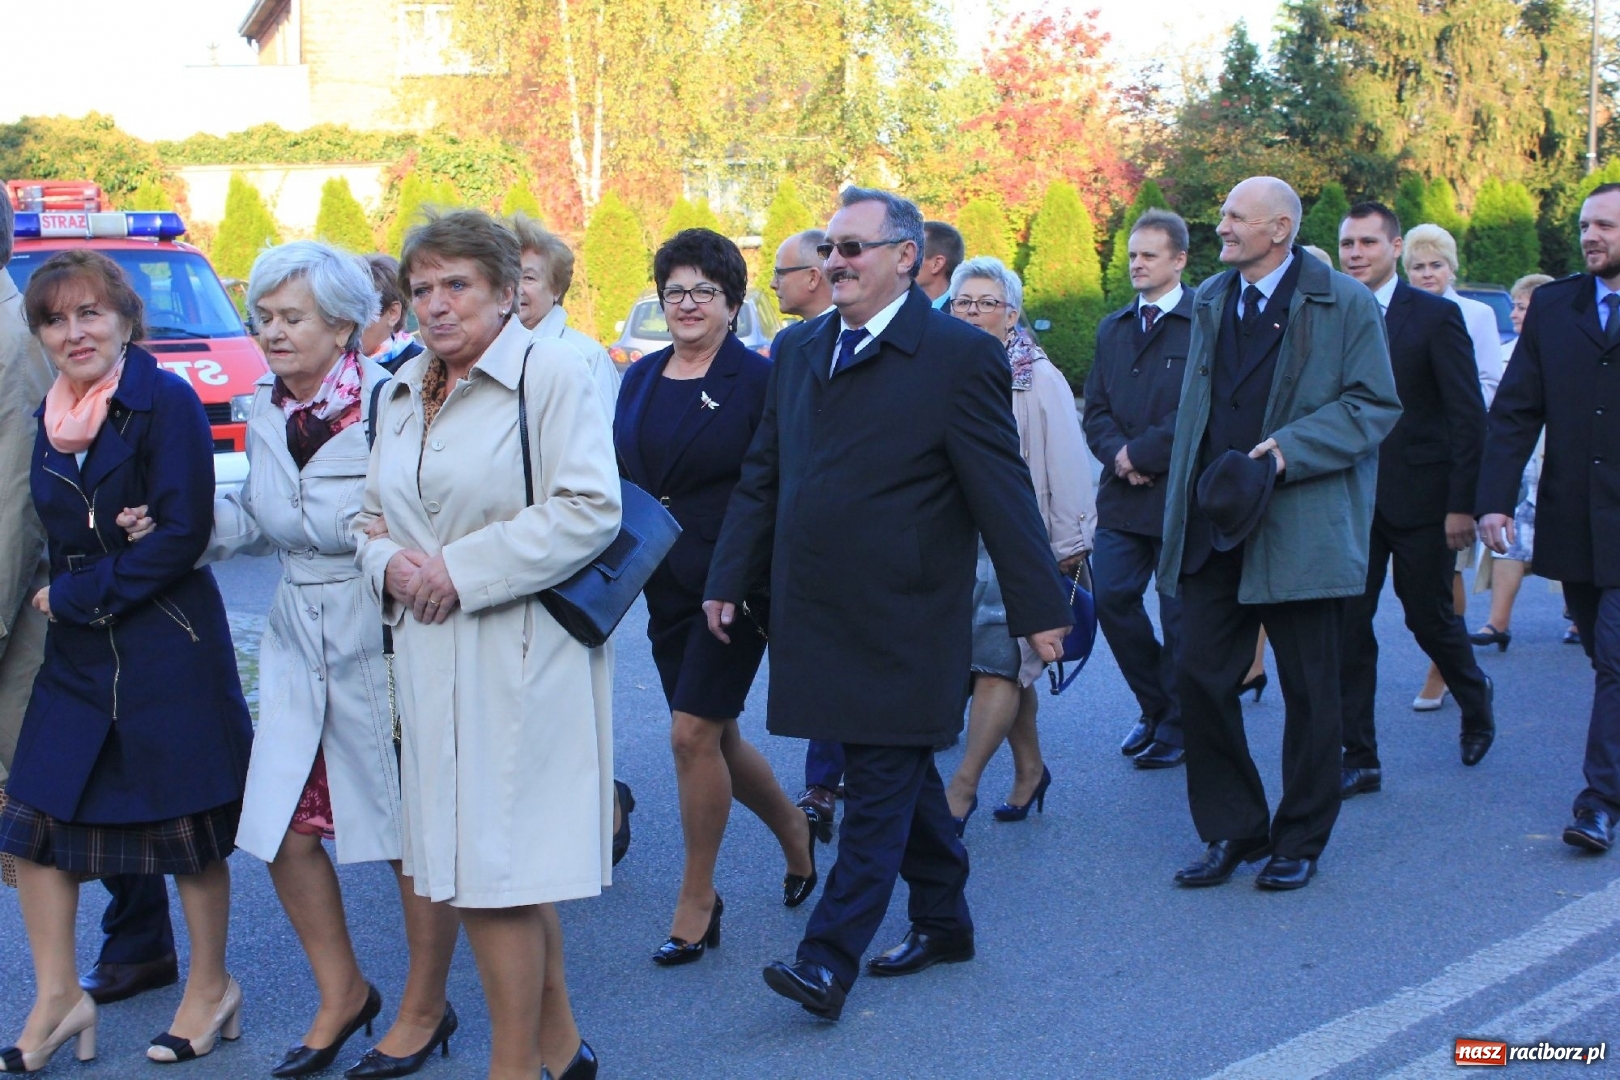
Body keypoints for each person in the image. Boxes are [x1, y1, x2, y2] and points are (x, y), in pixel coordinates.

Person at [705, 187, 1072, 1020]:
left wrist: (1038, 607)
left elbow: (1002, 492)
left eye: (854, 248)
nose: (836, 261)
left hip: (907, 614)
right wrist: (729, 575)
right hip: (816, 609)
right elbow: (766, 472)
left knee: (874, 785)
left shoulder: (955, 356)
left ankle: (828, 960)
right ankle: (944, 919)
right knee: (897, 777)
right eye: (830, 248)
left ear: (907, 258)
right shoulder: (798, 350)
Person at [172, 241, 461, 1078]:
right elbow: (266, 518)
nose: (271, 332)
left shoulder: (395, 400)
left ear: (343, 326)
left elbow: (422, 515)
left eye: (291, 317)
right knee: (284, 831)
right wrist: (177, 529)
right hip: (299, 636)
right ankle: (344, 994)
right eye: (263, 316)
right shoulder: (264, 400)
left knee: (410, 836)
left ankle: (423, 1007)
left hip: (386, 630)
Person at [352, 209, 617, 1080]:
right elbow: (369, 518)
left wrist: (455, 570)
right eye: (421, 288)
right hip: (429, 657)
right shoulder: (401, 386)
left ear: (508, 292)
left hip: (520, 652)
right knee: (491, 867)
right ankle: (562, 1051)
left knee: (493, 876)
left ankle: (516, 1068)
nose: (435, 304)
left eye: (457, 284)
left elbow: (589, 509)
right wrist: (390, 564)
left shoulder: (552, 372)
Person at [1, 250, 255, 1068]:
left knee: (186, 832)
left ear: (123, 319)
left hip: (164, 642)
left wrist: (77, 593)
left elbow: (182, 533)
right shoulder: (51, 410)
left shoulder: (165, 400)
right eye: (54, 319)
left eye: (89, 314)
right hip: (78, 654)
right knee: (35, 823)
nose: (73, 332)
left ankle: (210, 987)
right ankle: (59, 997)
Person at [1159, 177, 1400, 892]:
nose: (1222, 225)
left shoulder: (1344, 302)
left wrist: (1292, 449)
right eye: (1225, 212)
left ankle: (1300, 838)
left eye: (1236, 216)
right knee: (1199, 679)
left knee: (1310, 691)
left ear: (1281, 229)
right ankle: (1234, 829)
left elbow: (1373, 404)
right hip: (1216, 526)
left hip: (1300, 528)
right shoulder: (1210, 299)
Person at [614, 228, 818, 965]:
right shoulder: (638, 379)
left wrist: (737, 574)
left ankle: (699, 895)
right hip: (661, 585)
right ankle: (795, 831)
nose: (688, 304)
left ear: (733, 301)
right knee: (718, 735)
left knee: (691, 735)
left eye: (705, 291)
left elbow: (776, 484)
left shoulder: (758, 380)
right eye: (675, 292)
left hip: (734, 586)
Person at [1335, 202, 1493, 800]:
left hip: (1424, 499)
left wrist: (1463, 504)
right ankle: (1361, 757)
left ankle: (1474, 699)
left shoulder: (1434, 317)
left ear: (1394, 248)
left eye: (1368, 243)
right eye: (1348, 243)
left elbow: (1466, 415)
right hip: (1350, 499)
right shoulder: (1332, 314)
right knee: (1349, 626)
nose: (1355, 254)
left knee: (1426, 615)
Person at [1480, 182, 1620, 855]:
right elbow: (1514, 410)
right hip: (1575, 519)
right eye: (1587, 225)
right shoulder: (1558, 305)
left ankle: (1598, 801)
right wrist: (1493, 499)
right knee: (1601, 652)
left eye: (1607, 227)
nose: (1592, 237)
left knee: (1618, 660)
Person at [941, 255, 1091, 825]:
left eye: (987, 304)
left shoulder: (1037, 378)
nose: (974, 314)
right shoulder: (943, 366)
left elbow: (1070, 466)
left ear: (1013, 314)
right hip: (957, 542)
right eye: (964, 303)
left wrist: (1071, 542)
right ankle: (1031, 769)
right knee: (1001, 663)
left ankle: (961, 788)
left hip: (1015, 543)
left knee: (999, 664)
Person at [506, 212, 633, 868]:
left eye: (530, 276)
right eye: (510, 274)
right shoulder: (488, 355)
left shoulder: (581, 355)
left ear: (556, 287)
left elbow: (606, 465)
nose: (519, 287)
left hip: (570, 548)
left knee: (571, 692)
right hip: (508, 549)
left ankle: (602, 807)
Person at [1084, 208, 1194, 768]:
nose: (1137, 264)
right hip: (1123, 494)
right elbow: (1096, 409)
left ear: (1179, 260)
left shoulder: (1205, 322)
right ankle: (1157, 706)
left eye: (1149, 255)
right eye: (1132, 254)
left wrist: (1143, 454)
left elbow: (1198, 410)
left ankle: (1178, 723)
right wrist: (1120, 457)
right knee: (1112, 598)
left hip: (1180, 498)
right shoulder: (1114, 327)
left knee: (1179, 618)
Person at [1403, 223, 1504, 709]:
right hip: (1404, 465)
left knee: (1443, 583)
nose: (1427, 274)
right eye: (1418, 266)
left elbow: (1488, 383)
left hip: (1454, 459)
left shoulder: (1476, 314)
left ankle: (1444, 672)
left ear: (1452, 267)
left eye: (1436, 265)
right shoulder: (1397, 313)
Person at [768, 228, 846, 839]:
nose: (774, 285)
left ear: (814, 275)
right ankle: (825, 781)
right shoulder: (791, 347)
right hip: (803, 547)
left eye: (782, 272)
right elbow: (768, 458)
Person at [1470, 273, 1555, 652]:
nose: (1516, 314)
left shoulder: (1569, 350)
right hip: (1521, 468)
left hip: (1556, 464)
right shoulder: (1506, 352)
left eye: (1523, 307)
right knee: (1511, 544)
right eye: (1516, 306)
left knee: (1569, 539)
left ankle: (1576, 616)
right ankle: (1496, 623)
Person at [360, 254, 423, 373]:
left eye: (360, 313)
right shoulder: (340, 366)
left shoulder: (423, 369)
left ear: (393, 313)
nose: (347, 324)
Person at [917, 221, 965, 309]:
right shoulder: (897, 307)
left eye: (911, 255)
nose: (902, 262)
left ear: (936, 264)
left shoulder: (963, 313)